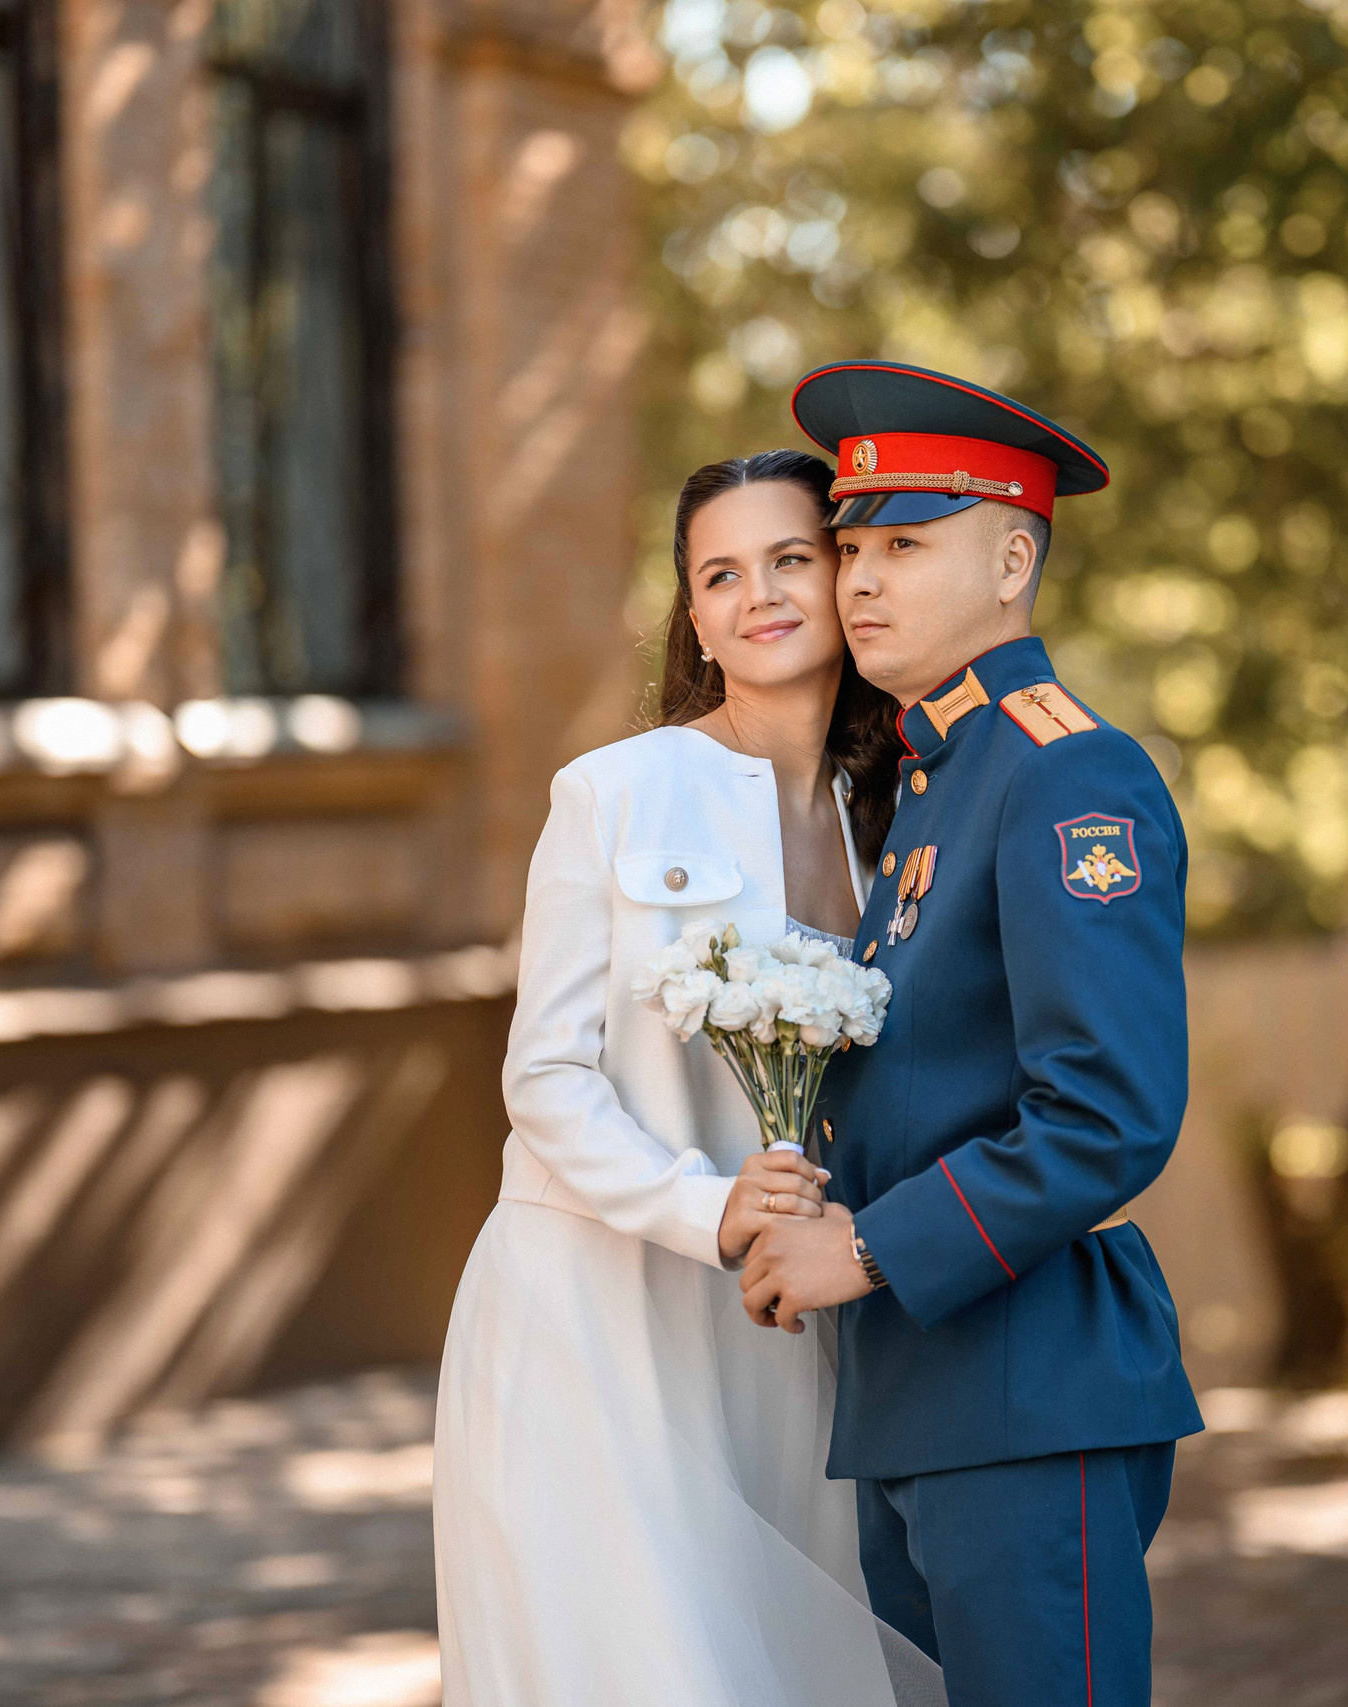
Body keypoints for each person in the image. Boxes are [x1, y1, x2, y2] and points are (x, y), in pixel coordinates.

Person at [431, 450, 944, 1706]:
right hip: (589, 1315)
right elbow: (544, 1076)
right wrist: (702, 1206)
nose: (757, 593)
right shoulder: (611, 791)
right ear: (696, 619)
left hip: (773, 1340)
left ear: (843, 581)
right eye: (720, 575)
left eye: (789, 559)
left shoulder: (888, 822)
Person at [737, 362, 1206, 1707]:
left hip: (1024, 1387)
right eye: (849, 546)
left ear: (1014, 557)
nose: (856, 579)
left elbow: (1106, 1109)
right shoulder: (938, 779)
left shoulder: (1065, 771)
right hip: (927, 1391)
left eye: (903, 544)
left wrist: (868, 1243)